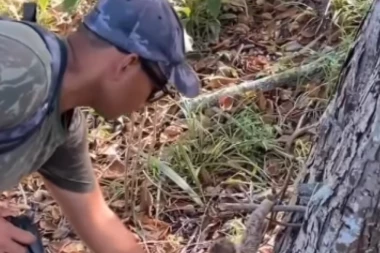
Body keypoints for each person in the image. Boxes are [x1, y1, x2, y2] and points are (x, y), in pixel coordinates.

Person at [0, 0, 200, 252]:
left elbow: (97, 221)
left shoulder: (62, 128)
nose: (145, 103)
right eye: (155, 88)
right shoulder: (25, 67)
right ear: (128, 64)